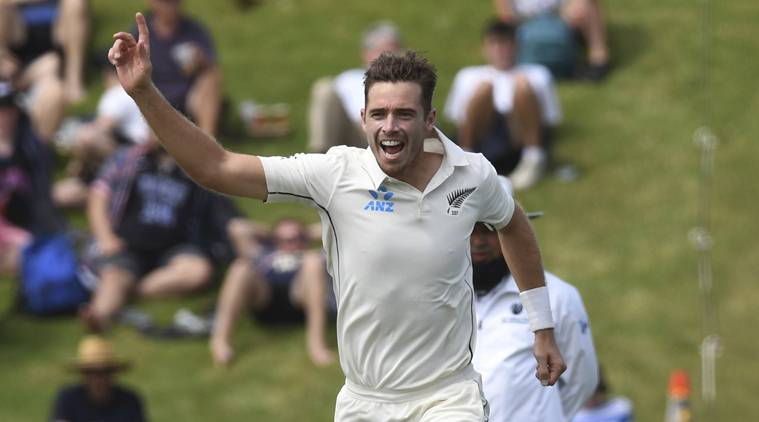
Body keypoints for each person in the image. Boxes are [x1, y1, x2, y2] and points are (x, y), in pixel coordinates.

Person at [109, 14, 566, 420]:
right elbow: (217, 167)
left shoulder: (473, 174)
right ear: (363, 118)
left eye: (405, 114)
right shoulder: (335, 174)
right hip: (364, 401)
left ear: (429, 119)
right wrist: (145, 93)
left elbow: (513, 223)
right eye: (380, 114)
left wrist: (541, 327)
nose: (391, 127)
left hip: (448, 398)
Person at [472, 176, 598, 421]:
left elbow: (583, 380)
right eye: (470, 230)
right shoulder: (443, 294)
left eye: (489, 230)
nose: (478, 242)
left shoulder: (559, 296)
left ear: (512, 233)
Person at [79, 134, 217, 332]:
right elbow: (97, 197)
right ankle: (99, 318)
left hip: (175, 249)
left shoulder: (193, 167)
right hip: (126, 246)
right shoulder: (128, 158)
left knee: (198, 272)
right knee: (114, 278)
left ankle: (133, 291)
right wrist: (105, 237)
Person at [444, 20, 561, 190]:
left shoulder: (537, 74)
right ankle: (466, 162)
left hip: (518, 134)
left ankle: (533, 159)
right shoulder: (468, 75)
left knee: (521, 85)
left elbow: (549, 120)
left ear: (517, 45)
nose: (501, 50)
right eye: (495, 43)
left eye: (507, 43)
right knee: (484, 88)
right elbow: (458, 119)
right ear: (486, 46)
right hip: (483, 134)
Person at [210, 218, 335, 368]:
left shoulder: (311, 255)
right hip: (264, 296)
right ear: (275, 241)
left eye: (297, 238)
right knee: (240, 267)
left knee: (313, 262)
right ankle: (220, 342)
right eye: (284, 239)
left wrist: (308, 233)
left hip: (300, 295)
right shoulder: (263, 254)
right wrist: (269, 234)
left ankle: (317, 345)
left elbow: (340, 228)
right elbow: (237, 228)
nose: (291, 243)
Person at [53, 54, 150, 208]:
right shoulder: (139, 92)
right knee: (61, 194)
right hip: (143, 157)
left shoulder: (117, 93)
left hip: (140, 159)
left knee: (87, 137)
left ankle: (114, 194)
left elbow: (98, 130)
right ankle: (106, 196)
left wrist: (77, 163)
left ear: (107, 74)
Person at [307, 21, 403, 152]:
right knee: (324, 89)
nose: (389, 58)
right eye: (382, 51)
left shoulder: (409, 84)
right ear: (366, 54)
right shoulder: (349, 79)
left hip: (388, 134)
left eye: (394, 51)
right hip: (352, 136)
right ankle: (319, 155)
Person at [130, 0, 222, 136]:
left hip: (188, 94)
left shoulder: (194, 29)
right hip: (154, 95)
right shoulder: (140, 32)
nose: (171, 6)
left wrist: (201, 60)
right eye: (165, 2)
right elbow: (117, 70)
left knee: (211, 76)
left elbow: (212, 65)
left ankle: (208, 143)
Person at [0, 0, 89, 139]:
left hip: (54, 47)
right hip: (19, 50)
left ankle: (73, 81)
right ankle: (6, 78)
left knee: (75, 3)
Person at [0, 79, 62, 277]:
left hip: (30, 224)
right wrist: (12, 236)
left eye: (8, 107)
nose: (4, 115)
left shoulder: (30, 147)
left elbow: (42, 193)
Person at [493, 0, 611, 80]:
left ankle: (598, 59)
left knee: (586, 4)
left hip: (561, 19)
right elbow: (506, 16)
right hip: (527, 25)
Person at [50, 335, 147, 422]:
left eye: (105, 371)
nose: (99, 379)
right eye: (92, 371)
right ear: (83, 373)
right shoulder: (67, 399)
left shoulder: (130, 400)